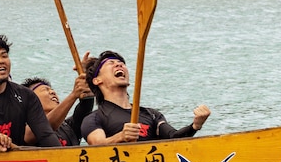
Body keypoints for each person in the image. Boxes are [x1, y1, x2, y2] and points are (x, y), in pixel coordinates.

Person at [80, 50, 210, 145]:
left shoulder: (151, 114)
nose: (119, 65)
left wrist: (195, 126)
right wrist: (120, 137)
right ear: (97, 80)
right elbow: (97, 146)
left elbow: (173, 138)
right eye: (111, 63)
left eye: (121, 63)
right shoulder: (93, 118)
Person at [21, 69, 93, 146]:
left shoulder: (69, 127)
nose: (53, 92)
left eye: (52, 89)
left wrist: (86, 80)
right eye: (45, 89)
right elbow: (43, 127)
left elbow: (85, 107)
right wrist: (73, 95)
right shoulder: (23, 129)